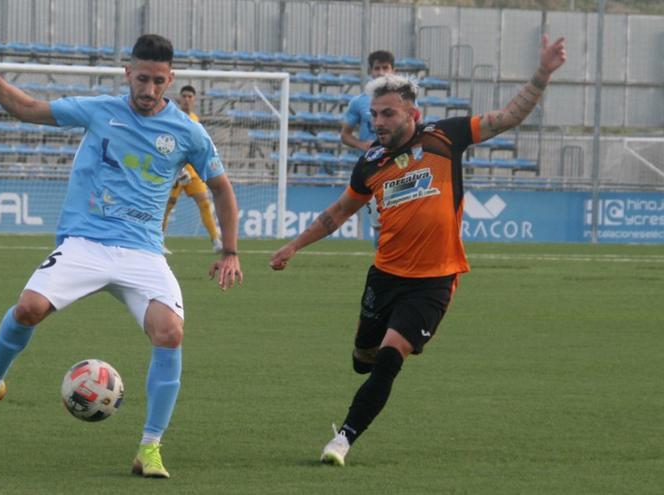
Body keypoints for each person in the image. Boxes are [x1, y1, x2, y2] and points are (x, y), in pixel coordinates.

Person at [0, 29, 243, 480]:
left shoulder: (187, 131)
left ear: (170, 78)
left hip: (143, 251)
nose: (149, 90)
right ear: (127, 73)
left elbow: (221, 187)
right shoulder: (100, 111)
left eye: (158, 81)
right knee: (28, 309)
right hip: (85, 241)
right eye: (142, 79)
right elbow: (28, 109)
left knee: (170, 334)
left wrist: (231, 250)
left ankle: (150, 448)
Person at [270, 35, 566, 466]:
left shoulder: (445, 137)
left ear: (414, 114)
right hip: (385, 276)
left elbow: (508, 117)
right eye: (374, 115)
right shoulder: (370, 162)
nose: (378, 122)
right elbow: (338, 212)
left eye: (388, 114)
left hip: (434, 280)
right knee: (363, 358)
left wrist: (542, 73)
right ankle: (365, 368)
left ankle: (344, 439)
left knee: (390, 358)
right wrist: (294, 246)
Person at [341, 50, 395, 247]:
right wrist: (361, 144)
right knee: (379, 223)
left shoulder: (405, 99)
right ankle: (382, 265)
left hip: (399, 166)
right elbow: (345, 135)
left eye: (385, 68)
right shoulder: (359, 102)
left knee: (398, 220)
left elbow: (418, 128)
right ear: (371, 72)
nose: (381, 72)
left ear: (392, 70)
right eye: (377, 68)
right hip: (373, 168)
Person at [161, 85, 223, 254]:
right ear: (179, 99)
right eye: (185, 96)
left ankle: (216, 240)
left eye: (190, 96)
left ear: (194, 100)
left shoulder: (195, 119)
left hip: (193, 171)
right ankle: (158, 240)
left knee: (204, 202)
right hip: (176, 171)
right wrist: (179, 170)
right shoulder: (172, 118)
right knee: (167, 205)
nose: (187, 99)